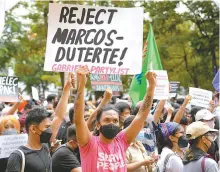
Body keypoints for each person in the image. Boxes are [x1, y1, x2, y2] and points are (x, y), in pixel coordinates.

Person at [74, 66, 156, 171]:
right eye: (107, 120)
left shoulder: (122, 140)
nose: (111, 123)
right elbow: (79, 119)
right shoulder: (88, 143)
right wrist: (81, 85)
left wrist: (151, 87)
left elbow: (141, 116)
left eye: (115, 121)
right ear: (98, 125)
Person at [5, 73, 75, 172]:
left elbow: (59, 116)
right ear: (33, 129)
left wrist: (67, 89)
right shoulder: (19, 156)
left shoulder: (45, 147)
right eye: (47, 127)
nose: (50, 130)